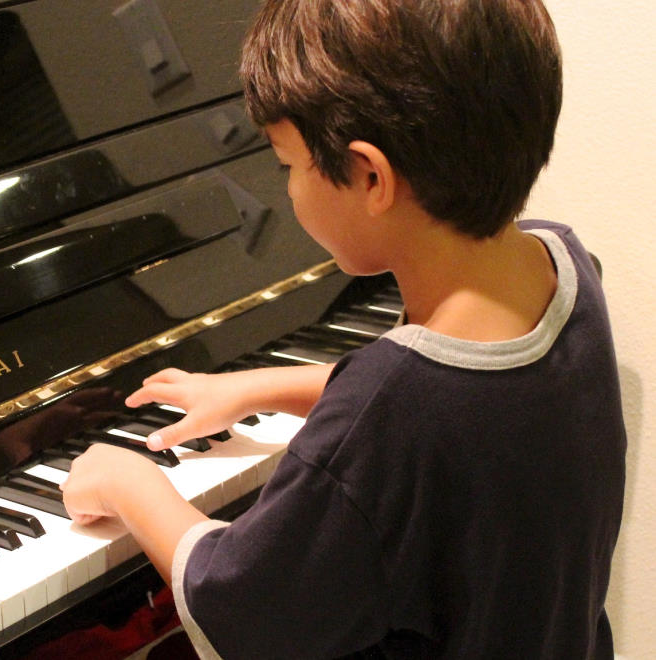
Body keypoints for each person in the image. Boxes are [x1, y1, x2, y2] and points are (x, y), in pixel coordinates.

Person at [59, 0, 627, 657]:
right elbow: (456, 411)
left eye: (286, 165)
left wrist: (132, 486)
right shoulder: (561, 263)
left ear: (370, 176)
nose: (290, 191)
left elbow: (245, 608)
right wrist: (259, 387)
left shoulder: (391, 404)